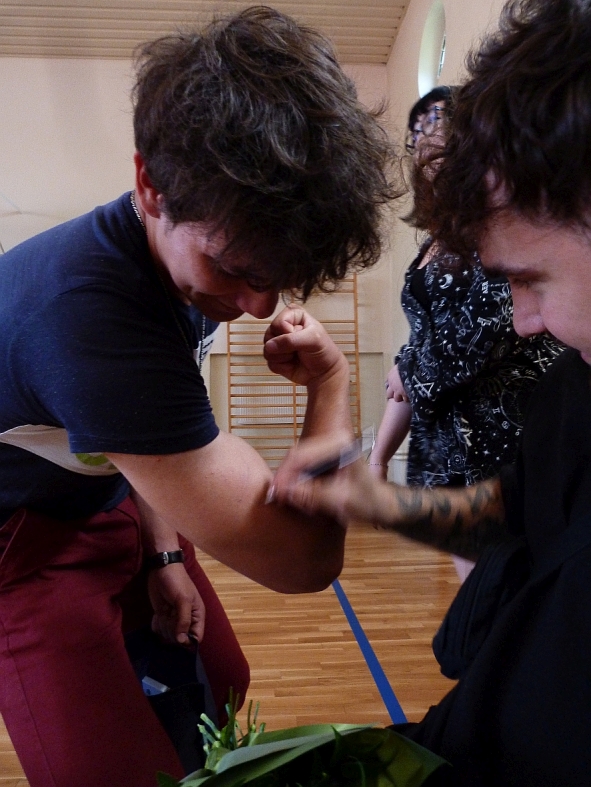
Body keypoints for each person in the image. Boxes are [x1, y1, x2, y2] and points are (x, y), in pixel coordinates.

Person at [0, 7, 397, 787]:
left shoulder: (176, 262)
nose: (257, 305)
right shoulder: (89, 320)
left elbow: (133, 447)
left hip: (107, 494)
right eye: (235, 270)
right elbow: (303, 560)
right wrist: (329, 387)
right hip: (21, 544)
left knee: (219, 683)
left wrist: (165, 553)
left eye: (277, 277)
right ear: (149, 184)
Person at [271, 0, 591, 783]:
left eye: (531, 279)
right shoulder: (570, 388)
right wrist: (376, 499)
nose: (524, 320)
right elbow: (504, 515)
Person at [370, 87, 562, 580]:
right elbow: (417, 346)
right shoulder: (437, 238)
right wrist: (378, 459)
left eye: (440, 145)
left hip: (508, 437)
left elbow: (485, 330)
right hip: (448, 444)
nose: (428, 156)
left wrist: (408, 367)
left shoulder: (502, 223)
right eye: (420, 147)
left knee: (514, 591)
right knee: (475, 594)